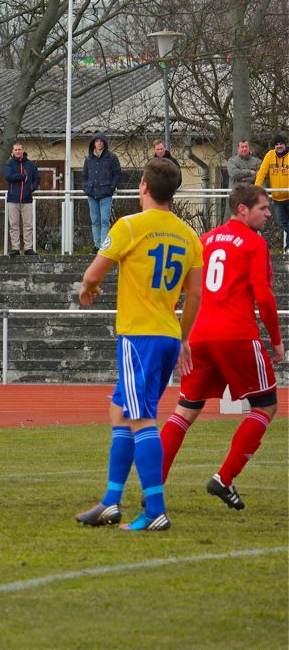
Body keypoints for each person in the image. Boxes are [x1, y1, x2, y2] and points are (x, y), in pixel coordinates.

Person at [75, 157, 203, 532]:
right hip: (168, 336)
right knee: (120, 411)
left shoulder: (130, 226)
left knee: (141, 417)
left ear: (143, 187)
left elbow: (93, 273)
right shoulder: (189, 235)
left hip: (139, 337)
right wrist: (184, 337)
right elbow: (195, 294)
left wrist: (88, 288)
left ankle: (155, 509)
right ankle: (111, 501)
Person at [158, 185, 283, 511]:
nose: (268, 213)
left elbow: (183, 288)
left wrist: (181, 336)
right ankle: (224, 478)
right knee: (266, 406)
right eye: (263, 208)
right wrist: (276, 339)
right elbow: (264, 296)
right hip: (237, 336)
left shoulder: (205, 240)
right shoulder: (254, 243)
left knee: (185, 411)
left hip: (199, 336)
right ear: (242, 209)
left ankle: (153, 487)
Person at [82, 132, 122, 249]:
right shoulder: (88, 159)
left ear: (104, 143)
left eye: (101, 141)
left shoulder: (111, 157)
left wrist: (111, 188)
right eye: (97, 141)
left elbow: (117, 174)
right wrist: (86, 188)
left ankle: (103, 246)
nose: (99, 143)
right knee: (95, 221)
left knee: (104, 221)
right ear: (93, 143)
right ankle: (97, 245)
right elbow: (84, 176)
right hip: (91, 193)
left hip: (106, 194)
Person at [3, 141, 40, 255]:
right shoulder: (9, 164)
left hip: (27, 199)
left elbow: (37, 178)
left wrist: (31, 188)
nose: (18, 151)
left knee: (28, 225)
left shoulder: (30, 165)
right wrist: (22, 176)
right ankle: (15, 248)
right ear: (12, 151)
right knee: (14, 225)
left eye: (19, 149)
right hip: (13, 199)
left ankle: (28, 248)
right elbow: (8, 176)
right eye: (16, 149)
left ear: (23, 150)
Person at [253, 133, 289, 245]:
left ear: (285, 145)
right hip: (277, 199)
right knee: (280, 221)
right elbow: (262, 172)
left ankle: (288, 248)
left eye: (281, 144)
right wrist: (256, 188)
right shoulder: (270, 155)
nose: (279, 146)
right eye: (276, 144)